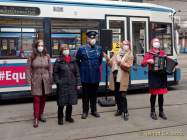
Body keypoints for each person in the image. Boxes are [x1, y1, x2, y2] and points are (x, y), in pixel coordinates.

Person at [104, 40, 133, 121]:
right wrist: (106, 57)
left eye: (127, 44)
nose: (125, 45)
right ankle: (119, 110)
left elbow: (128, 67)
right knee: (116, 95)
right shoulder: (116, 53)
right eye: (124, 44)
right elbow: (111, 64)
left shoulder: (130, 55)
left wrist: (121, 63)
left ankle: (125, 112)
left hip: (123, 77)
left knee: (123, 95)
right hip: (115, 77)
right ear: (121, 45)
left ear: (129, 45)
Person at [76, 31, 103, 119]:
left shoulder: (99, 48)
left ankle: (94, 110)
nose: (92, 39)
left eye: (94, 38)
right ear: (87, 39)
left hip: (95, 75)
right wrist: (83, 69)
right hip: (85, 76)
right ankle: (85, 111)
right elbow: (77, 61)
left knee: (94, 95)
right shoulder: (81, 49)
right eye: (91, 38)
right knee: (85, 95)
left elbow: (99, 61)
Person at [26, 40, 53, 128]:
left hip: (45, 80)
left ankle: (41, 115)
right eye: (39, 45)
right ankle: (36, 118)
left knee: (43, 99)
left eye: (42, 45)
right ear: (36, 46)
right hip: (36, 80)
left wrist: (50, 78)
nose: (41, 47)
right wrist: (29, 81)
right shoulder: (32, 56)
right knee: (36, 100)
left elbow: (50, 68)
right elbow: (28, 69)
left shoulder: (47, 56)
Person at [53, 45, 81, 125]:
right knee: (61, 103)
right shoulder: (58, 61)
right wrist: (58, 82)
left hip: (72, 84)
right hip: (62, 84)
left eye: (67, 49)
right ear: (61, 51)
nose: (66, 50)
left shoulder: (73, 60)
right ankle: (60, 118)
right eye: (64, 49)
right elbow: (55, 73)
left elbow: (77, 73)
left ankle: (68, 117)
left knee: (70, 102)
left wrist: (78, 83)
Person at [141, 38, 168, 120]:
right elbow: (142, 64)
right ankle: (152, 111)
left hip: (161, 75)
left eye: (158, 41)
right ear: (152, 43)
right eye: (155, 41)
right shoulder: (149, 53)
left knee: (161, 95)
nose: (157, 43)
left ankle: (161, 111)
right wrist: (148, 61)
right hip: (153, 75)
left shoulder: (162, 52)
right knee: (153, 94)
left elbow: (167, 62)